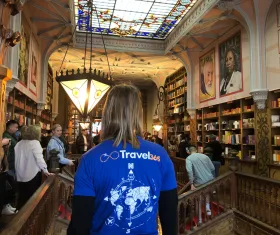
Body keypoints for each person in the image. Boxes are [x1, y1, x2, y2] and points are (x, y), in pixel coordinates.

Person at [68, 84, 178, 235]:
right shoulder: (160, 155)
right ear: (138, 114)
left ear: (107, 112)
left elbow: (79, 224)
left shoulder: (90, 159)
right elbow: (170, 217)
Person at [14, 125, 53, 209]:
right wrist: (45, 170)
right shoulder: (35, 143)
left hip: (20, 173)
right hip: (32, 173)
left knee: (22, 196)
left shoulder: (19, 143)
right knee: (31, 199)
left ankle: (19, 216)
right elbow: (39, 158)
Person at [186, 146, 215, 224]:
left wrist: (191, 183)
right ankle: (207, 207)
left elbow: (189, 171)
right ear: (196, 150)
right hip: (210, 180)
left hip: (199, 181)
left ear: (189, 151)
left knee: (198, 200)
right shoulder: (205, 156)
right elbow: (212, 168)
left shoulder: (189, 158)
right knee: (207, 193)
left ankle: (200, 220)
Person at [0, 138, 17, 216]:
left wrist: (5, 148)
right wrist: (2, 144)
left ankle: (5, 206)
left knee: (5, 190)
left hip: (2, 170)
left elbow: (4, 160)